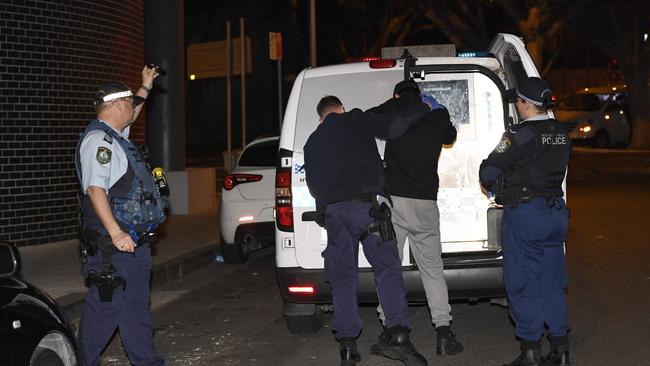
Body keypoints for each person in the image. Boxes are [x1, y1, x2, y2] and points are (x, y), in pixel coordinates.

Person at [304, 95, 431, 366]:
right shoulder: (355, 118)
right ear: (341, 109)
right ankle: (398, 338)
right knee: (387, 270)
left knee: (342, 279)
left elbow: (314, 188)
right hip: (367, 210)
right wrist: (425, 107)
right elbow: (393, 128)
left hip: (335, 216)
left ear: (321, 117)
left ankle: (348, 348)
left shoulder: (312, 142)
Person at [75, 66, 167, 366]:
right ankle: (84, 361)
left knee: (137, 311)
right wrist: (116, 233)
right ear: (115, 106)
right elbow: (95, 190)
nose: (134, 109)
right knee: (104, 312)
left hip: (135, 244)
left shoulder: (116, 136)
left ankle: (148, 362)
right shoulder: (98, 142)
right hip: (111, 247)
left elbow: (135, 112)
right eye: (128, 103)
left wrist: (145, 87)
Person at [479, 77, 571, 366]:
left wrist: (499, 188)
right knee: (552, 281)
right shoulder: (561, 132)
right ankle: (560, 350)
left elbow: (488, 171)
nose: (516, 106)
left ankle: (530, 351)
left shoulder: (519, 134)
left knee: (523, 282)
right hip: (556, 214)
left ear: (526, 104)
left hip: (527, 216)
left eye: (517, 100)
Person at [369, 80, 463, 356]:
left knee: (389, 268)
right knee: (432, 269)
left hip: (394, 203)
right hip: (425, 203)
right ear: (422, 96)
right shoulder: (437, 115)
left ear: (397, 96)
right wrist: (436, 106)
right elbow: (450, 136)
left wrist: (396, 103)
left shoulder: (393, 116)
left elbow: (371, 117)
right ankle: (444, 332)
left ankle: (390, 328)